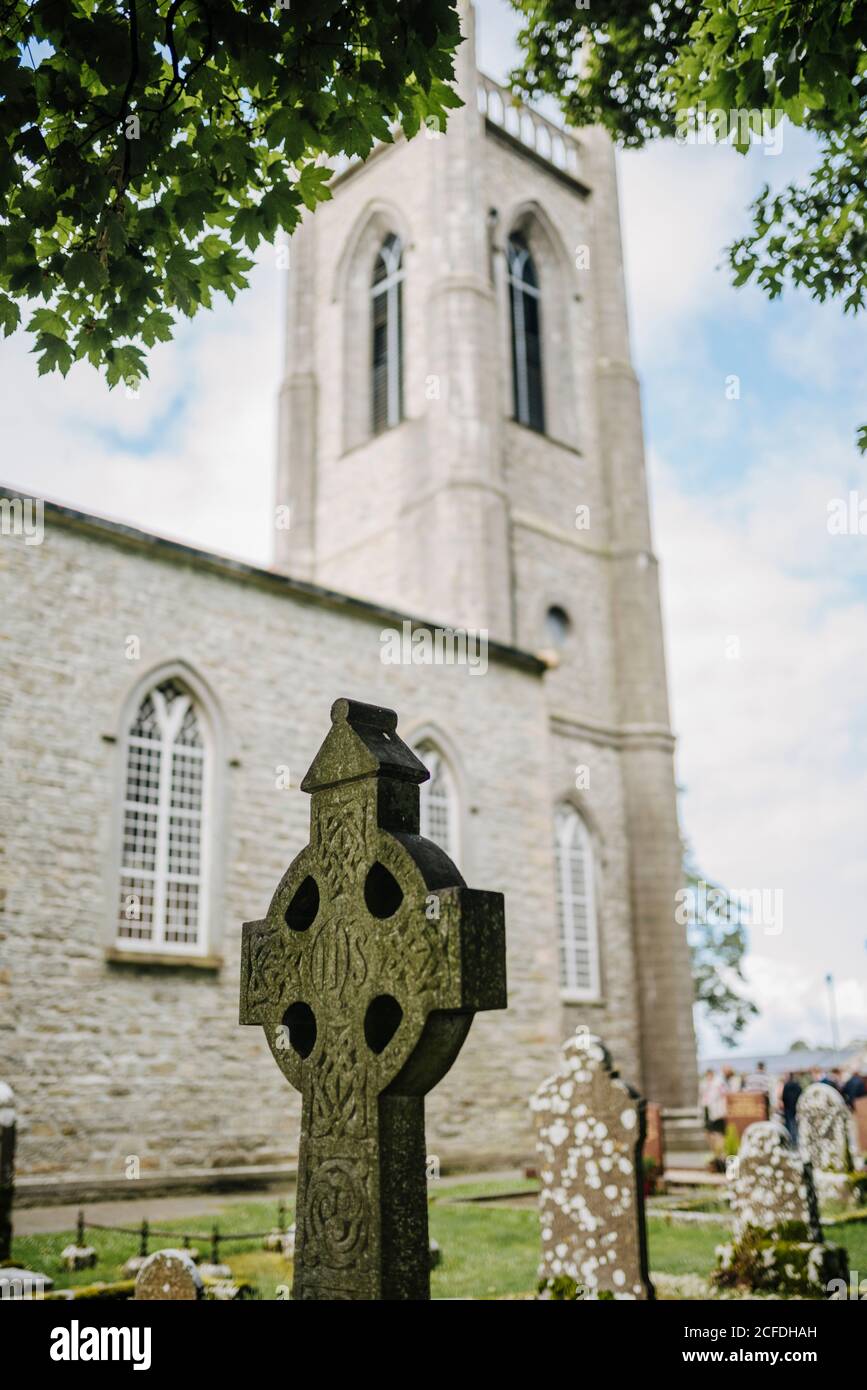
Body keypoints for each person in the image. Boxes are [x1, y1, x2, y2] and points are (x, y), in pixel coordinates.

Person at [699, 1068, 728, 1157]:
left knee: (718, 1133)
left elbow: (724, 1095)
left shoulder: (719, 1082)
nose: (708, 1076)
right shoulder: (704, 1083)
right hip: (707, 1110)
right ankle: (715, 1153)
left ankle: (721, 1154)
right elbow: (701, 1096)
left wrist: (723, 1110)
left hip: (717, 1112)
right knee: (708, 1133)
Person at [781, 1071, 802, 1142]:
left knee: (789, 1124)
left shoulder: (786, 1085)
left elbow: (783, 1097)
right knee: (795, 1124)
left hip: (788, 1108)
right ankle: (795, 1140)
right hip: (795, 1107)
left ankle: (790, 1140)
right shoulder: (797, 1085)